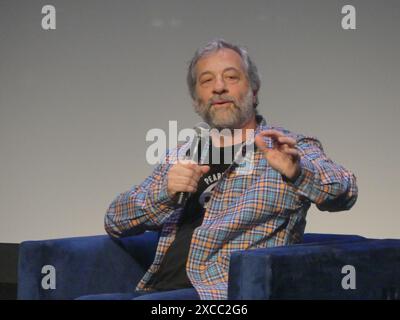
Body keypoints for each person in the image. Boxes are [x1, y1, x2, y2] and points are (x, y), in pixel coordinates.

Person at [102, 39, 358, 300]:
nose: (219, 88)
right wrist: (164, 192)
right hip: (155, 290)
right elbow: (115, 221)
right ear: (195, 99)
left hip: (220, 292)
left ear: (254, 91)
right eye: (206, 80)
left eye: (231, 77)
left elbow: (345, 191)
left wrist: (298, 173)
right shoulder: (181, 154)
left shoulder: (284, 148)